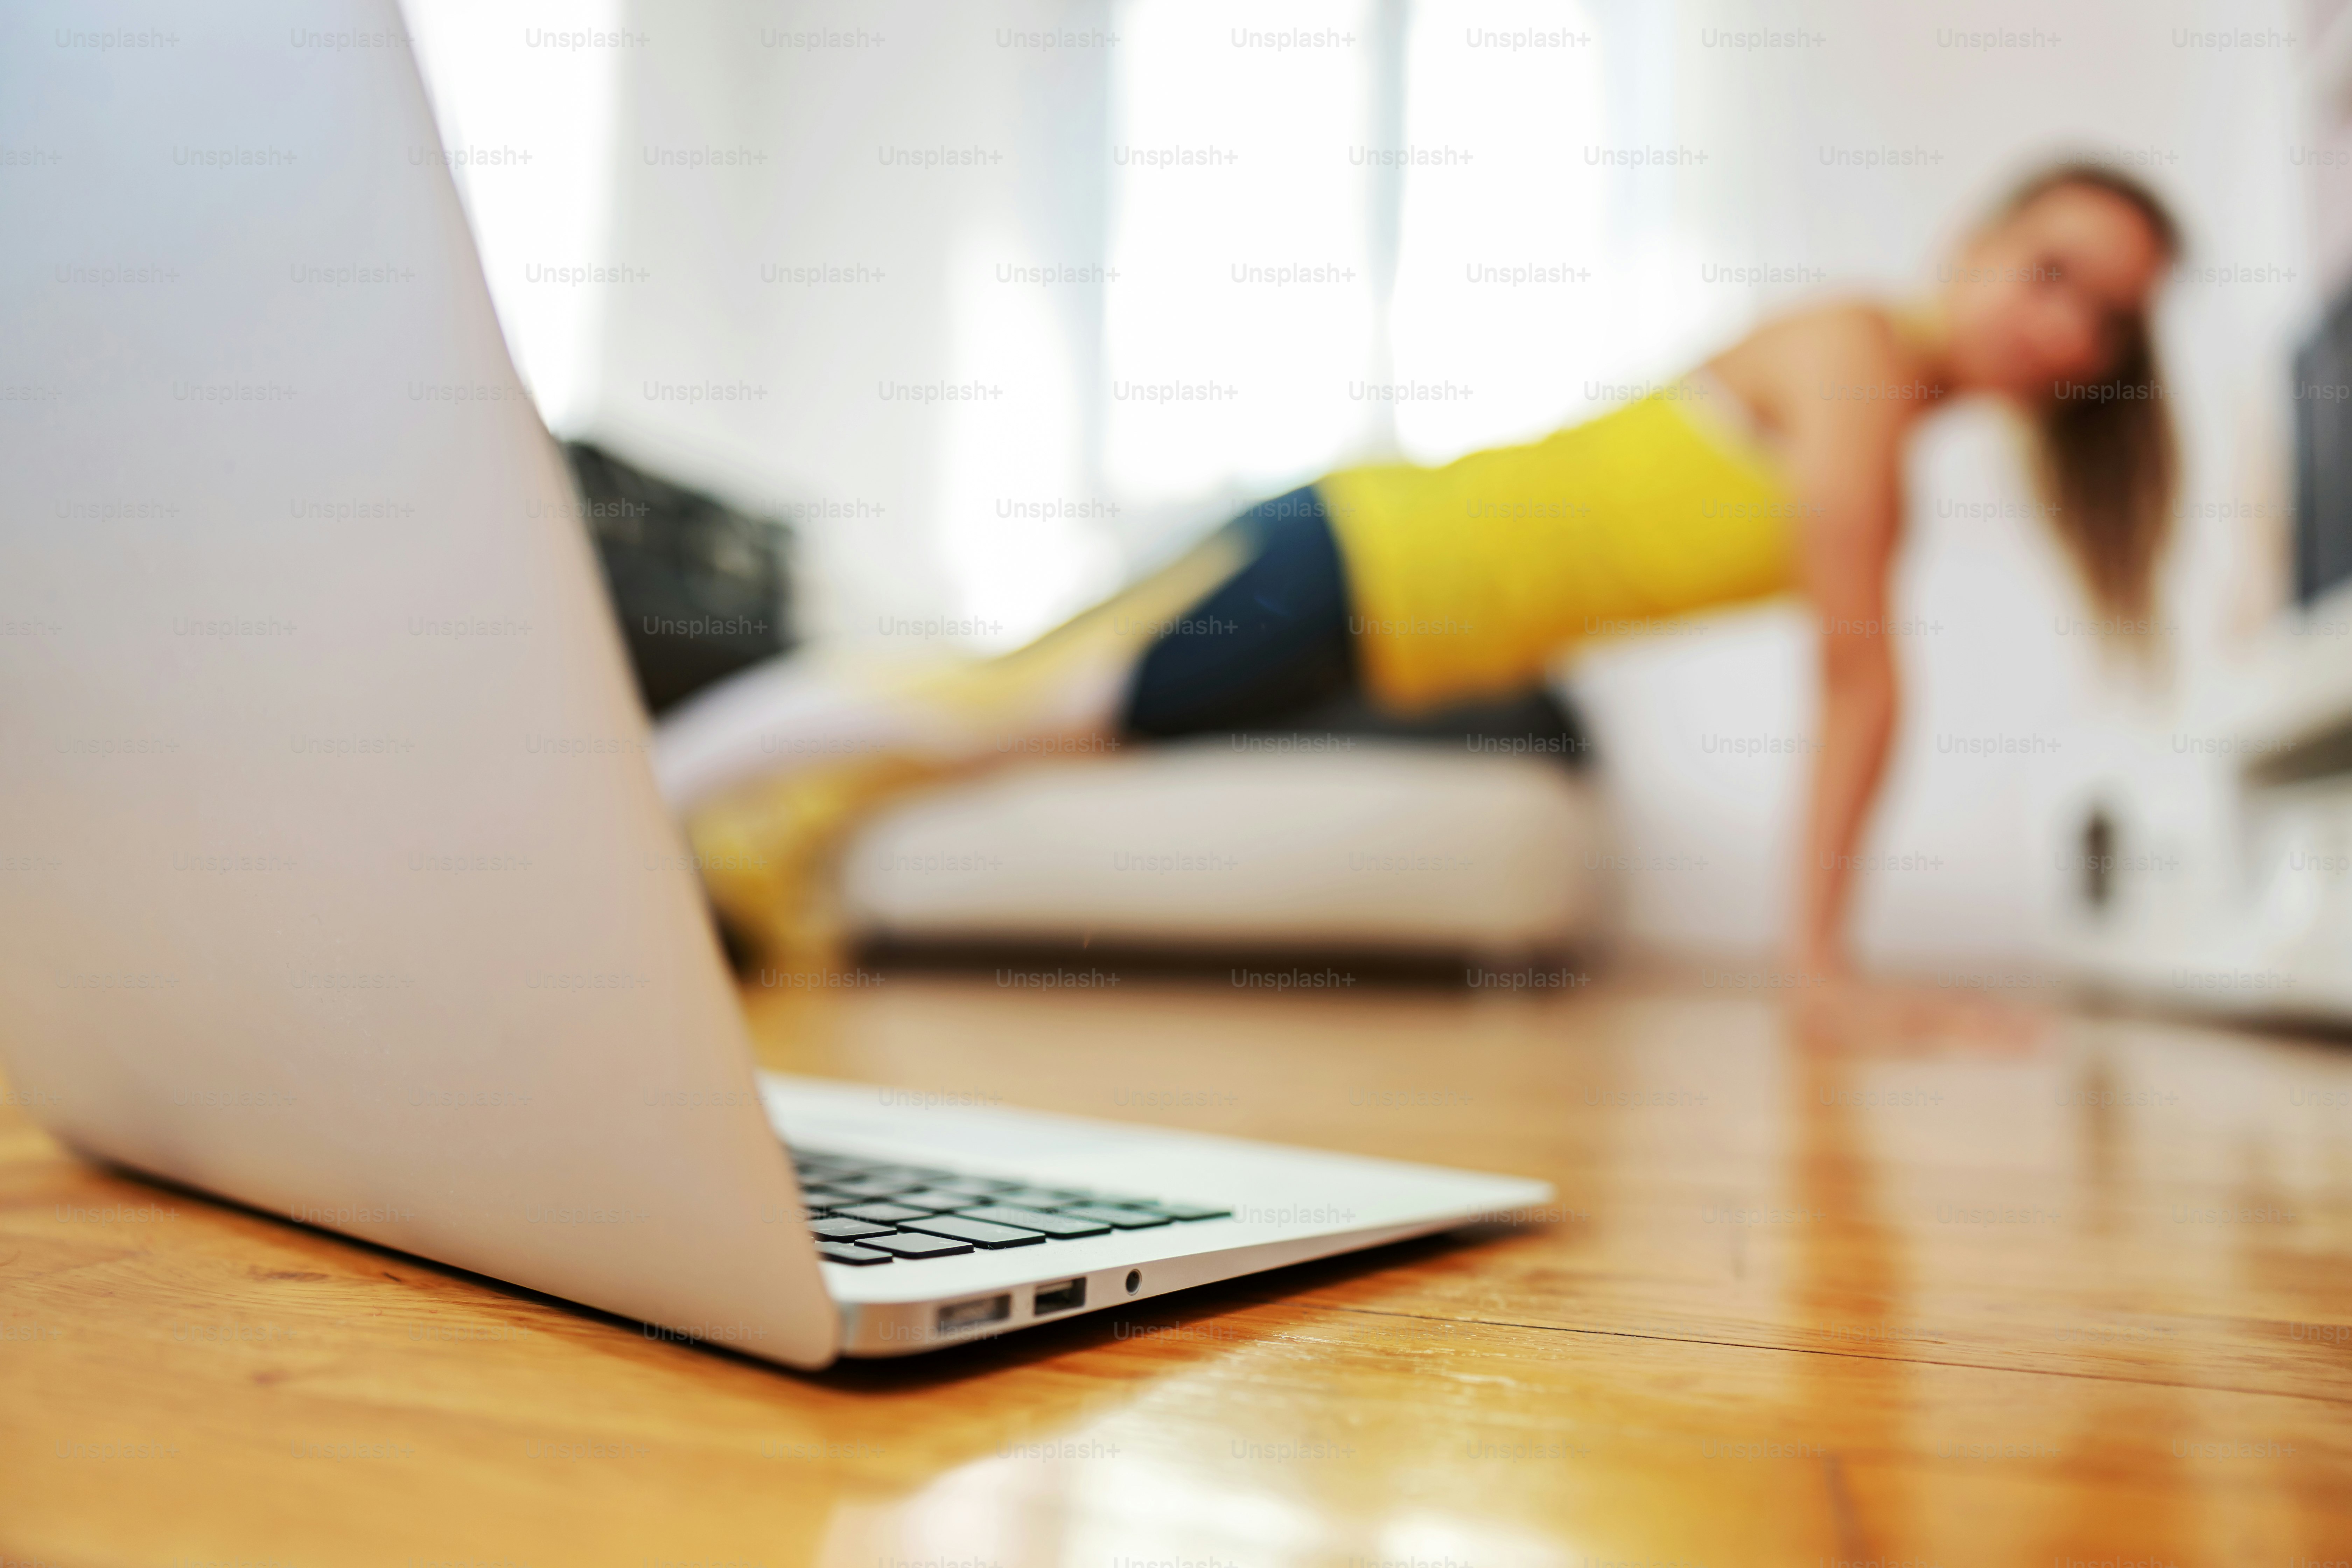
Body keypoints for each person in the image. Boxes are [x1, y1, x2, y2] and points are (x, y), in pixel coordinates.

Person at [660, 160, 2179, 981]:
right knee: (1000, 705)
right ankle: (652, 793)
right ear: (1974, 238)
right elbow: (1862, 682)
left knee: (1033, 727)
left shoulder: (1892, 440)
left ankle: (735, 849)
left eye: (2109, 315)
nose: (2065, 328)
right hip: (1365, 553)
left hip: (1386, 632)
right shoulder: (1852, 352)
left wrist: (1819, 965)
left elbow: (1859, 680)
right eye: (2051, 271)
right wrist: (1824, 974)